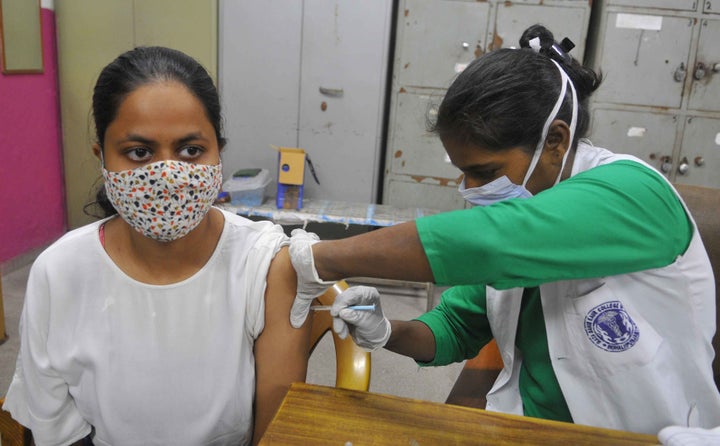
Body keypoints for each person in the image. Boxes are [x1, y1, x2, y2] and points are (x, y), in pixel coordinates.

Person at [287, 25, 720, 435]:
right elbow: (456, 325)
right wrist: (387, 331)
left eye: (486, 171)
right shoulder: (523, 207)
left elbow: (493, 242)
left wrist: (319, 257)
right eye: (464, 174)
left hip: (644, 435)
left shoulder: (633, 193)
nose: (470, 190)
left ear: (555, 141)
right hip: (525, 427)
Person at [2, 46, 311, 446]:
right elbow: (53, 425)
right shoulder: (59, 271)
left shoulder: (262, 264)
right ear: (102, 158)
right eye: (139, 152)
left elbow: (278, 432)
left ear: (219, 151)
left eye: (190, 151)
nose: (168, 175)